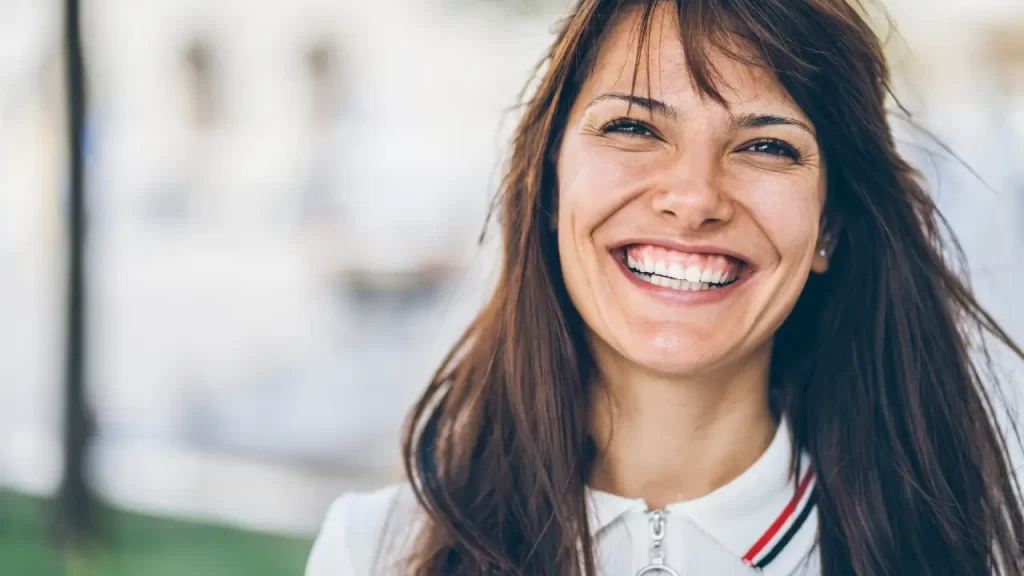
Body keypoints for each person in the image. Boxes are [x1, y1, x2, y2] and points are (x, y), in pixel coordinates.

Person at [306, 0, 1024, 574]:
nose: (694, 195)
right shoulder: (374, 553)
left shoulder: (967, 553)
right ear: (551, 187)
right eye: (633, 128)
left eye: (766, 145)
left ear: (829, 226)